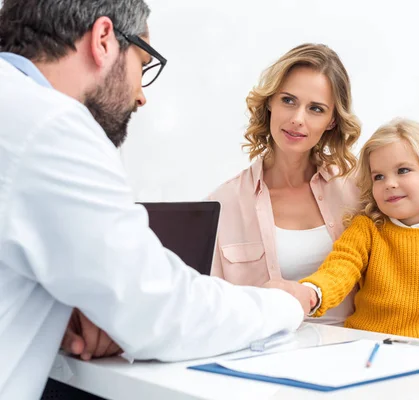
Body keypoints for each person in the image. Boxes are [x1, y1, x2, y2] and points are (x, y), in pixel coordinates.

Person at [0, 1, 312, 398]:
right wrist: (284, 304)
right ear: (103, 39)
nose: (140, 95)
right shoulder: (51, 126)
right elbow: (160, 311)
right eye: (143, 64)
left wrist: (69, 305)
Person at [208, 43, 362, 326]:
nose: (297, 119)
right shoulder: (222, 204)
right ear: (270, 102)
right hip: (260, 359)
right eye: (288, 100)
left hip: (352, 357)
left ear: (331, 121)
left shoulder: (358, 193)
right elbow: (209, 308)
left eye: (316, 109)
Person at [297, 118, 419, 344]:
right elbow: (339, 269)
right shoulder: (367, 229)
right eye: (379, 176)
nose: (389, 183)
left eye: (403, 170)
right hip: (363, 349)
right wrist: (311, 292)